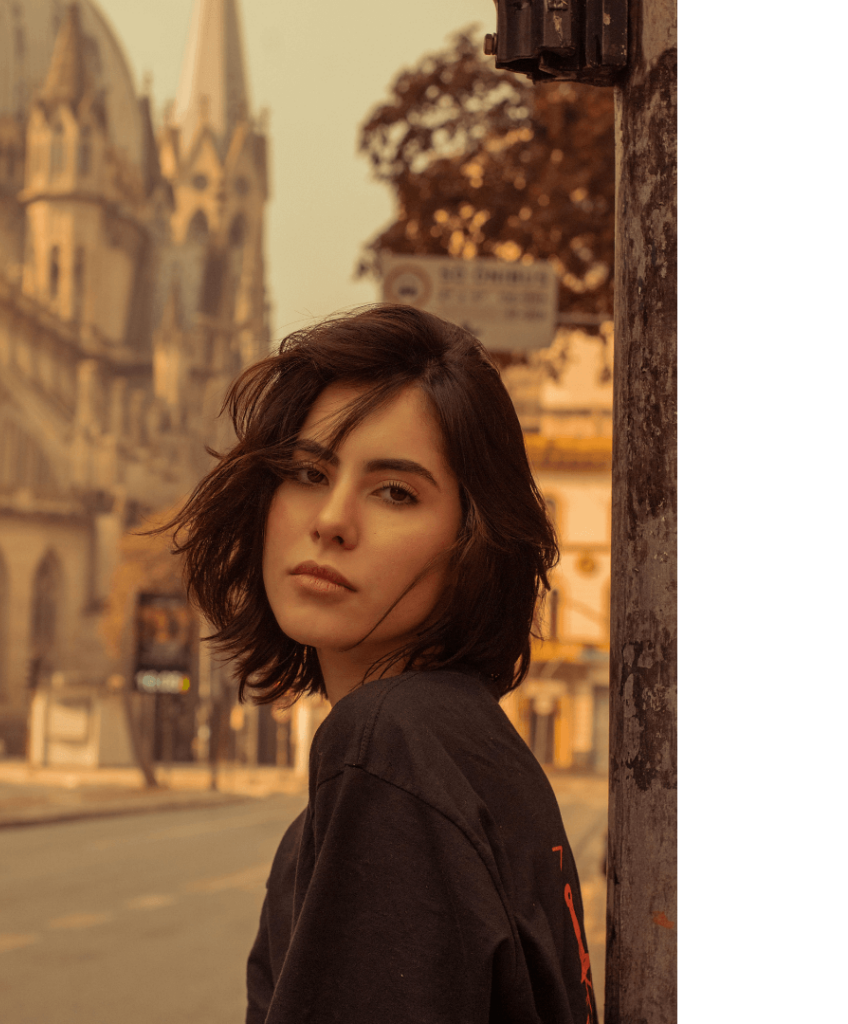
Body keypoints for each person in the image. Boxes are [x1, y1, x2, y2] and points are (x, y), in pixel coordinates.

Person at [159, 305, 597, 1023]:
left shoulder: (390, 743)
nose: (331, 518)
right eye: (307, 470)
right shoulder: (464, 747)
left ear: (473, 543)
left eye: (396, 491)